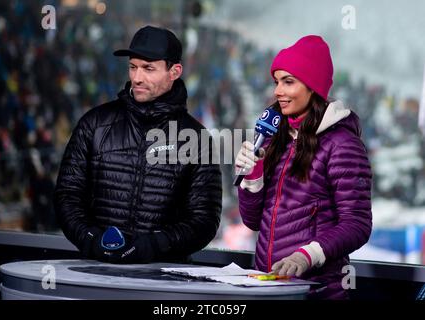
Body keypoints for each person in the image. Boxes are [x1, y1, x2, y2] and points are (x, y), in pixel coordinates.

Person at [54, 25, 222, 264]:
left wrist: (155, 244)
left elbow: (204, 219)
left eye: (148, 68)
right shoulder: (94, 124)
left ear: (174, 71)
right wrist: (91, 238)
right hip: (95, 273)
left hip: (162, 282)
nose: (137, 78)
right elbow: (67, 195)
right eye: (133, 67)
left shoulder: (196, 137)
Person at [236, 35, 372, 299]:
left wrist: (308, 255)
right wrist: (252, 177)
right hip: (269, 289)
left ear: (313, 87)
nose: (278, 91)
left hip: (317, 292)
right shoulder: (275, 137)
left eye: (288, 82)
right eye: (276, 82)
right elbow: (252, 222)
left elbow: (357, 224)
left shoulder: (342, 144)